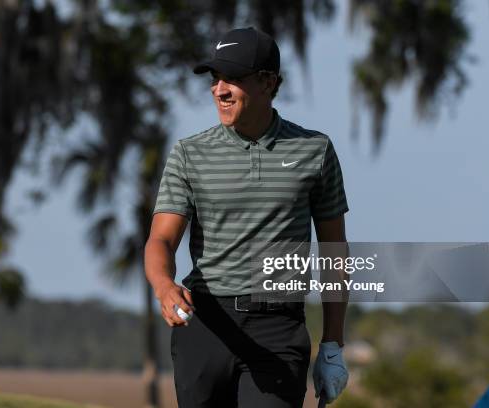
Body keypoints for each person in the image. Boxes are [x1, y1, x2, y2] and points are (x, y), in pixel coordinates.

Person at [144, 27, 350, 407]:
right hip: (205, 324)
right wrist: (164, 285)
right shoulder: (190, 153)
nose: (219, 89)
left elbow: (334, 250)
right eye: (215, 78)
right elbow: (161, 240)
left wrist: (333, 343)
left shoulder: (314, 150)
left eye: (233, 79)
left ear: (267, 82)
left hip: (279, 326)